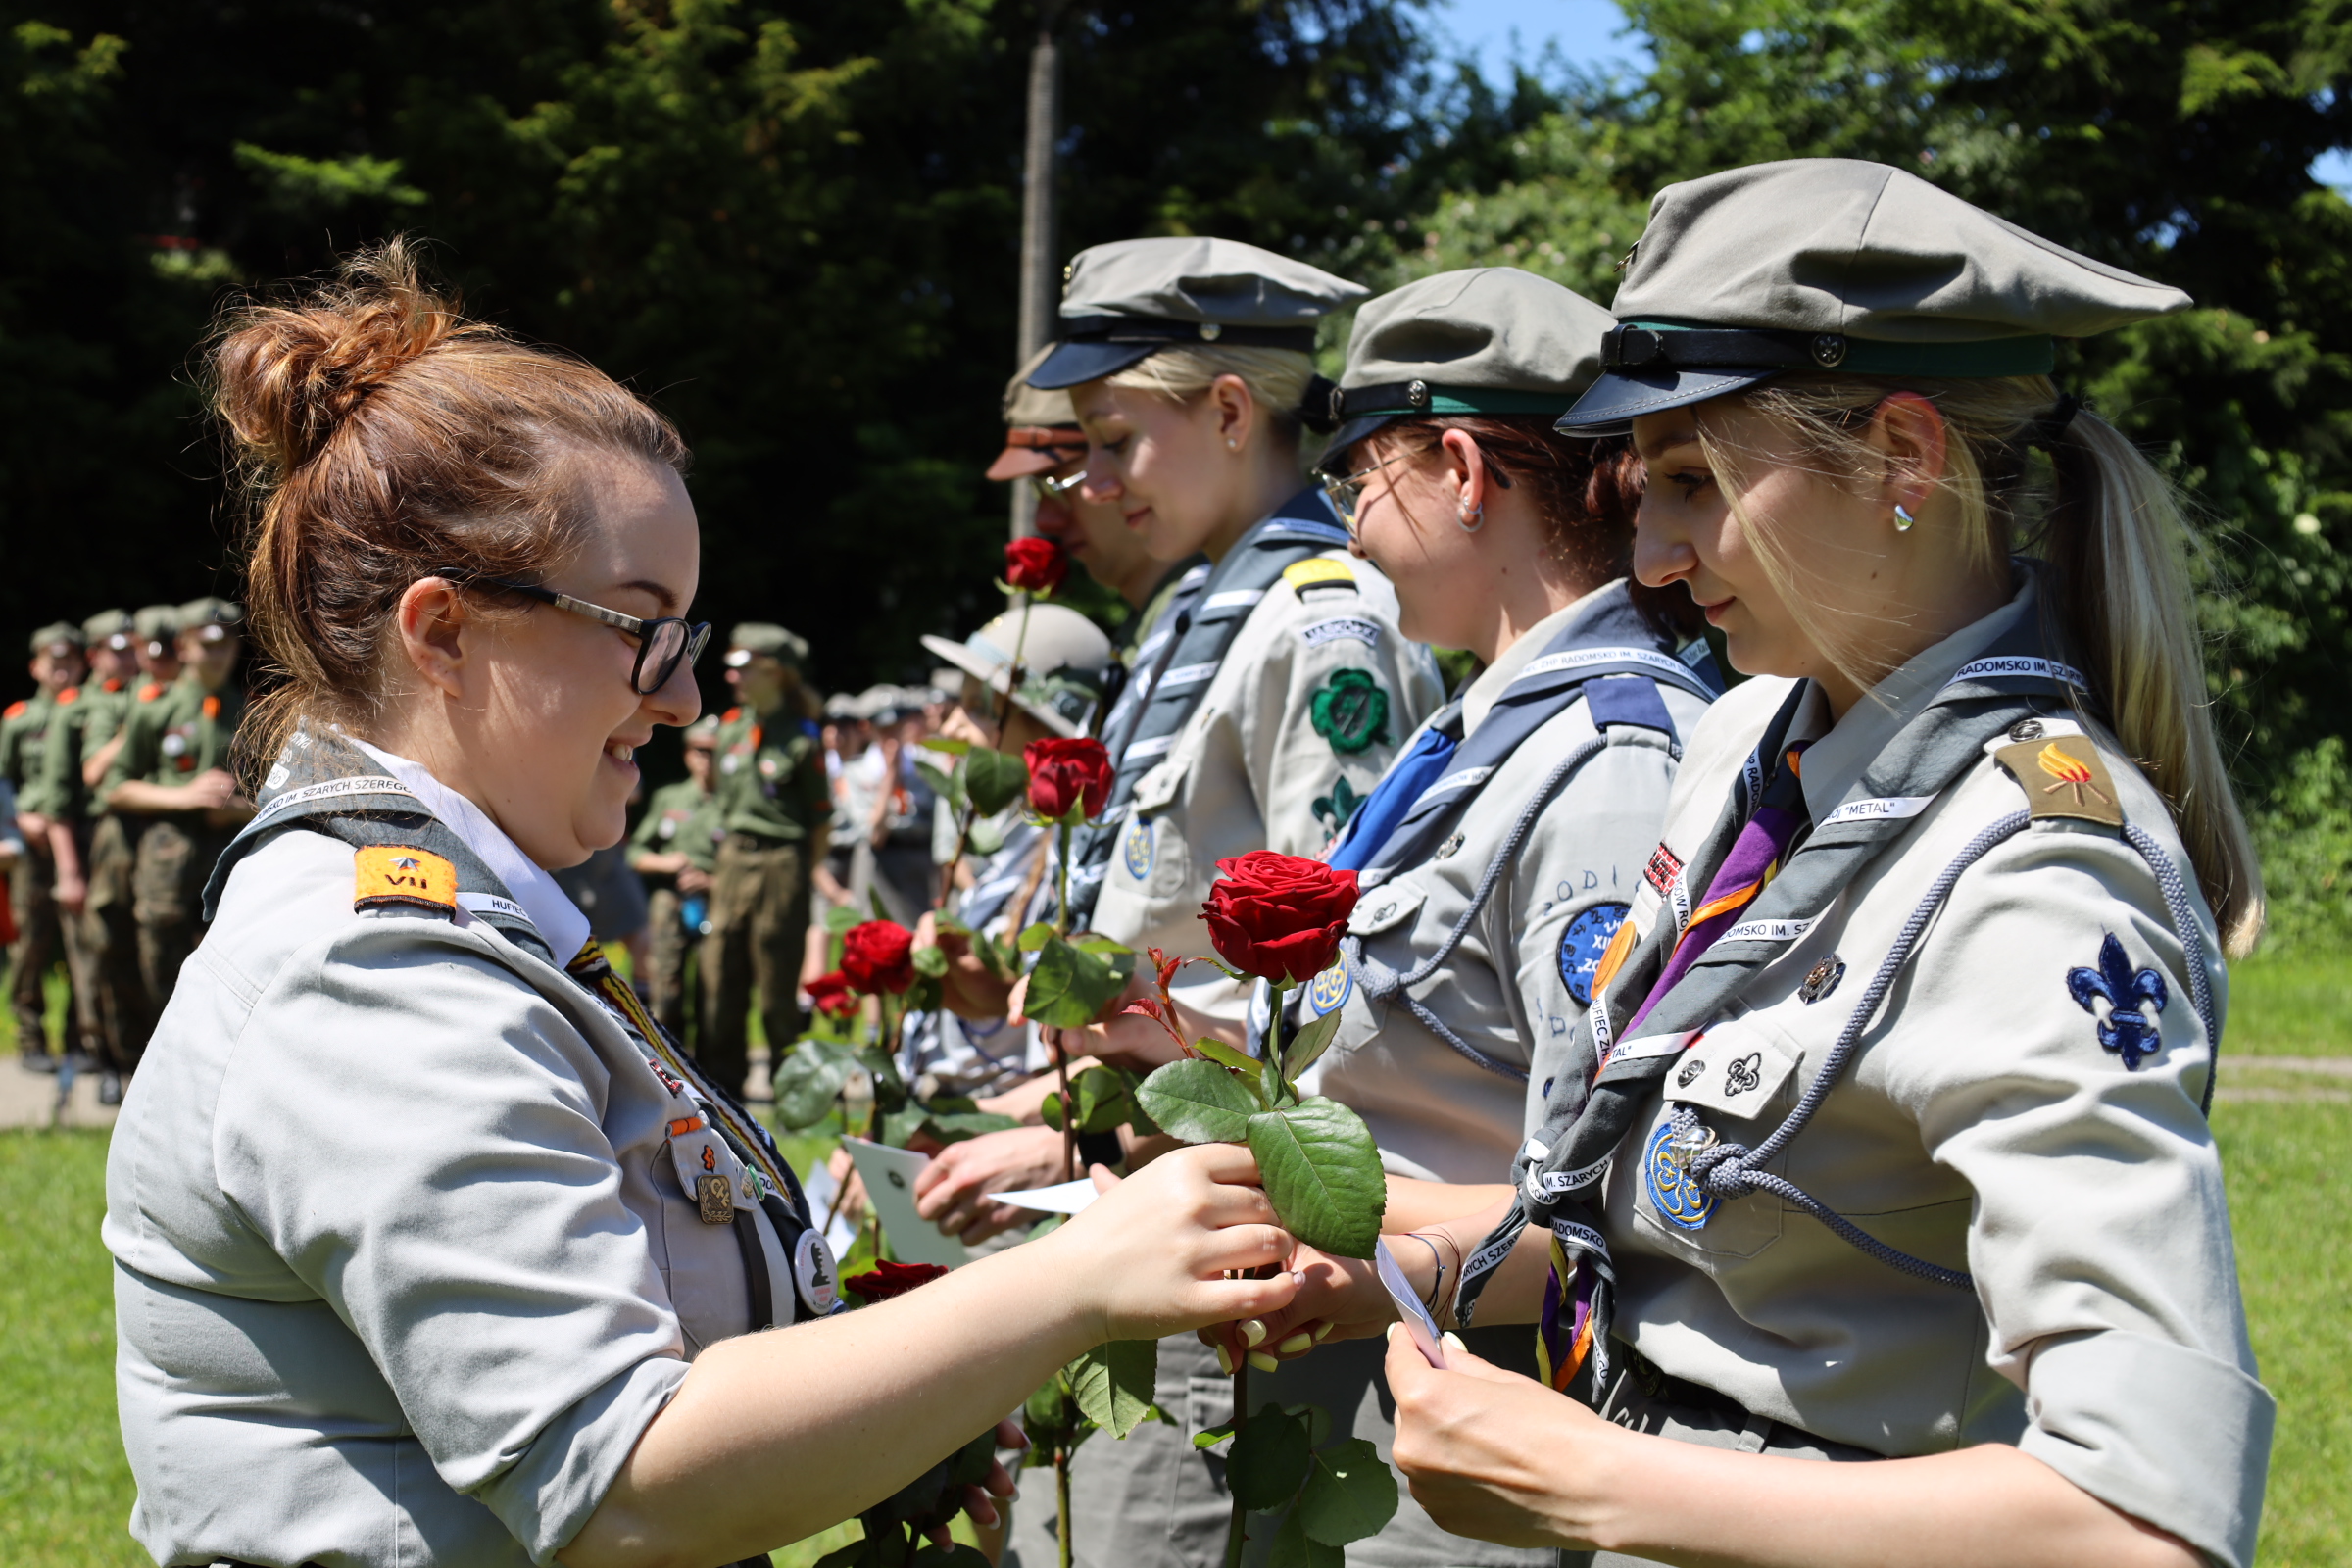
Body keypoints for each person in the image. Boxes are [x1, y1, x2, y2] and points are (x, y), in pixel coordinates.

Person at [104, 240, 1301, 1568]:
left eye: (686, 636)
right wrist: (1070, 1284)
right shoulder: (371, 974)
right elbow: (622, 1481)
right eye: (639, 628)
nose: (680, 696)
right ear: (442, 633)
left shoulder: (456, 928)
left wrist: (894, 1401)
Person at [1228, 159, 2271, 1568]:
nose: (1653, 555)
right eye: (1641, 483)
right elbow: (1666, 1223)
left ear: (1902, 458)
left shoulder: (2035, 872)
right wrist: (1404, 1270)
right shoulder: (1746, 746)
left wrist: (1599, 1486)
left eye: (1692, 481)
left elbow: (2147, 1520)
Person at [1235, 266, 1718, 1568]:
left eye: (1358, 482)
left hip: (1481, 1425)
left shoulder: (1611, 761)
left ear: (1459, 470)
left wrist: (1355, 1240)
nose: (1349, 534)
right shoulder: (1490, 732)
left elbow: (1623, 1201)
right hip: (1392, 1376)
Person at [994, 235, 1446, 1568]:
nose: (1089, 483)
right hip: (1148, 1187)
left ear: (1233, 413)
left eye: (1114, 441)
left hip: (1235, 1223)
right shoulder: (1209, 611)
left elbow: (1338, 982)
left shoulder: (1321, 622)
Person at [902, 605, 1115, 1114]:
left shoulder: (1075, 858)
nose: (954, 724)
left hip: (1018, 1108)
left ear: (1050, 732)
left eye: (980, 709)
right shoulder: (1011, 836)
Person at [100, 596, 251, 1014]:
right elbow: (115, 787)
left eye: (225, 644)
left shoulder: (251, 713)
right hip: (165, 856)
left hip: (228, 857)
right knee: (158, 962)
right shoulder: (156, 708)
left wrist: (239, 807)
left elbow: (276, 798)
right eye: (206, 645)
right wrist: (183, 796)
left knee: (226, 962)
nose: (217, 655)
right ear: (183, 647)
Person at [704, 621, 828, 1098]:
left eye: (743, 667)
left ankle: (788, 1083)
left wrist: (799, 873)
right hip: (734, 858)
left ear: (775, 672)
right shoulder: (730, 728)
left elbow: (821, 821)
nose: (732, 676)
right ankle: (722, 1086)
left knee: (777, 977)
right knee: (721, 969)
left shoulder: (802, 737)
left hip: (783, 861)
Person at [37, 609, 144, 1096]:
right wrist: (69, 871)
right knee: (94, 955)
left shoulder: (155, 696)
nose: (126, 659)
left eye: (132, 649)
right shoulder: (74, 710)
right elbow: (58, 800)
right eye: (116, 651)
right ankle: (103, 1056)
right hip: (92, 839)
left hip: (146, 840)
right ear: (95, 656)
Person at [78, 604, 181, 1090]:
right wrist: (140, 720)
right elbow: (94, 771)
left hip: (170, 835)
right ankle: (117, 1058)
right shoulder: (115, 702)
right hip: (118, 835)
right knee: (111, 939)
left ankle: (166, 1059)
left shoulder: (185, 697)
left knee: (162, 945)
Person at [3, 622, 87, 1069]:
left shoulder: (92, 711)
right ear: (35, 667)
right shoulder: (19, 719)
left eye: (69, 661)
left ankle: (79, 1036)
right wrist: (18, 818)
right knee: (30, 943)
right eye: (53, 662)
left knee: (82, 943)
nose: (62, 669)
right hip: (33, 846)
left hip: (81, 838)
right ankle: (30, 1037)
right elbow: (3, 781)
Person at [628, 713, 723, 1041]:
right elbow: (636, 853)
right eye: (699, 750)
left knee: (716, 990)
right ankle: (669, 1055)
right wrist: (665, 863)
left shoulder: (735, 803)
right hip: (673, 896)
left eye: (714, 751)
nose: (706, 758)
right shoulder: (670, 799)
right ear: (687, 754)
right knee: (666, 987)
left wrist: (712, 882)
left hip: (720, 899)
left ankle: (715, 1066)